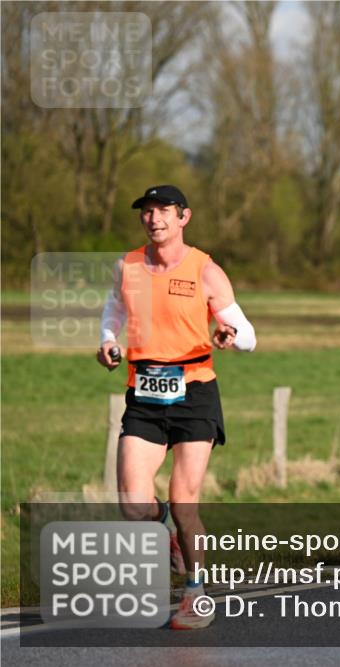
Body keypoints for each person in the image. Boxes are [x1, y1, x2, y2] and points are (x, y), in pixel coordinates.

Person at [97, 184, 257, 629]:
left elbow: (247, 334)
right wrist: (107, 341)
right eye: (147, 212)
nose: (154, 219)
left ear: (183, 217)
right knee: (132, 504)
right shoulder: (126, 265)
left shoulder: (206, 270)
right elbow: (114, 307)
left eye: (164, 211)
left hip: (194, 392)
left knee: (185, 502)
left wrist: (230, 337)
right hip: (144, 395)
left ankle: (195, 594)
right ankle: (164, 527)